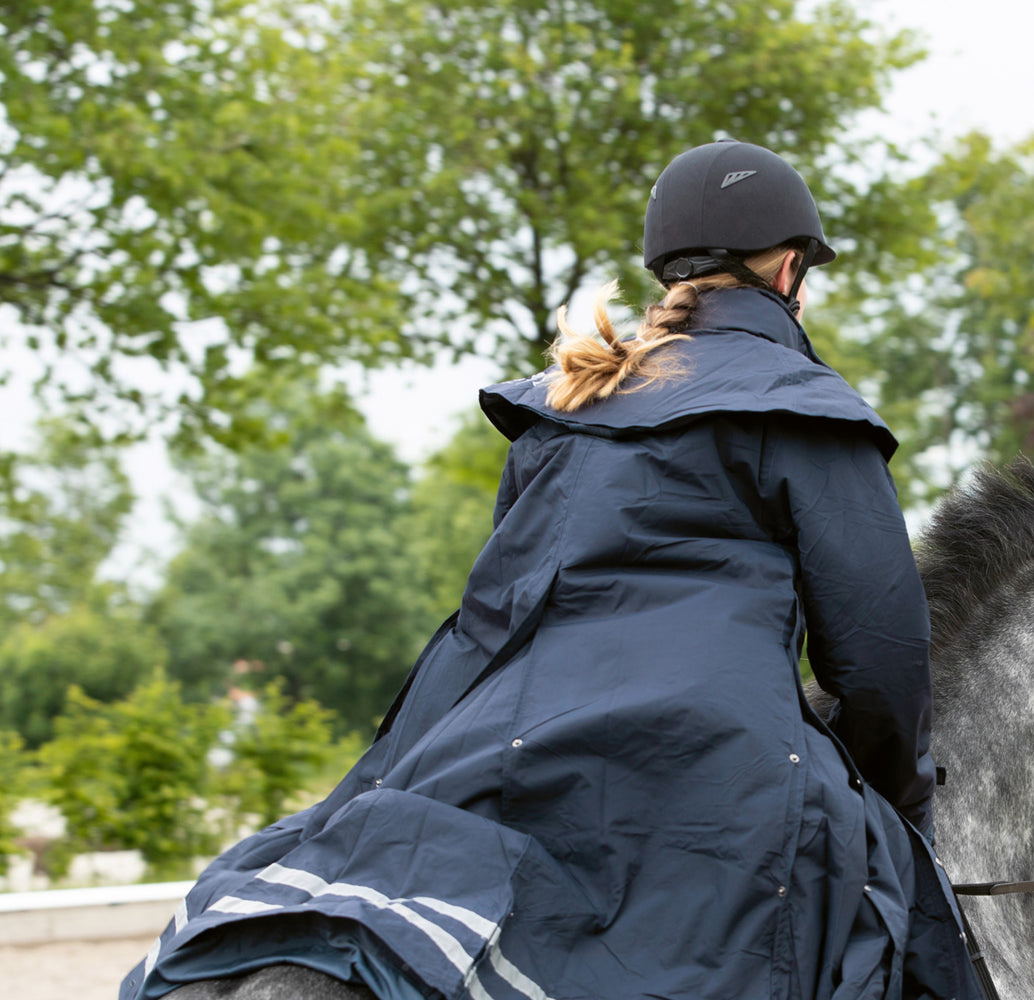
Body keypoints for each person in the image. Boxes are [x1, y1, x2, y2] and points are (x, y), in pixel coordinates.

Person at [121, 139, 981, 1000]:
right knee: (892, 941)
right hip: (713, 756)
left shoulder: (568, 400)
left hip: (498, 728)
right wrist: (904, 808)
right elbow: (878, 655)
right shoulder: (806, 408)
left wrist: (401, 762)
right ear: (791, 268)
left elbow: (494, 613)